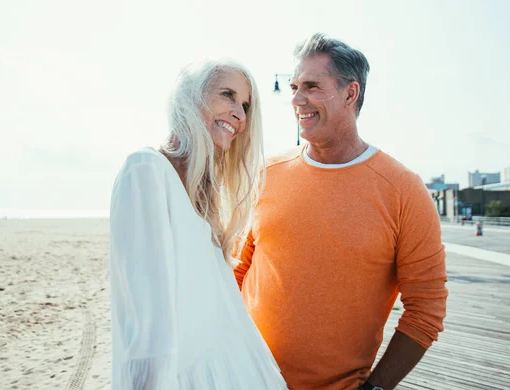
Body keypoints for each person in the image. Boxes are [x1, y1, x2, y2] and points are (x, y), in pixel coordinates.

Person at [234, 33, 448, 390]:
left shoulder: (403, 190)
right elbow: (240, 271)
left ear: (351, 93)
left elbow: (425, 311)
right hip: (243, 376)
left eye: (312, 86)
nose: (297, 100)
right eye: (293, 86)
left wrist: (375, 388)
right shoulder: (266, 174)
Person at [109, 59, 287, 389]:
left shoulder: (206, 202)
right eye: (227, 94)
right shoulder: (146, 169)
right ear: (190, 98)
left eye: (245, 105)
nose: (240, 115)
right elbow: (147, 333)